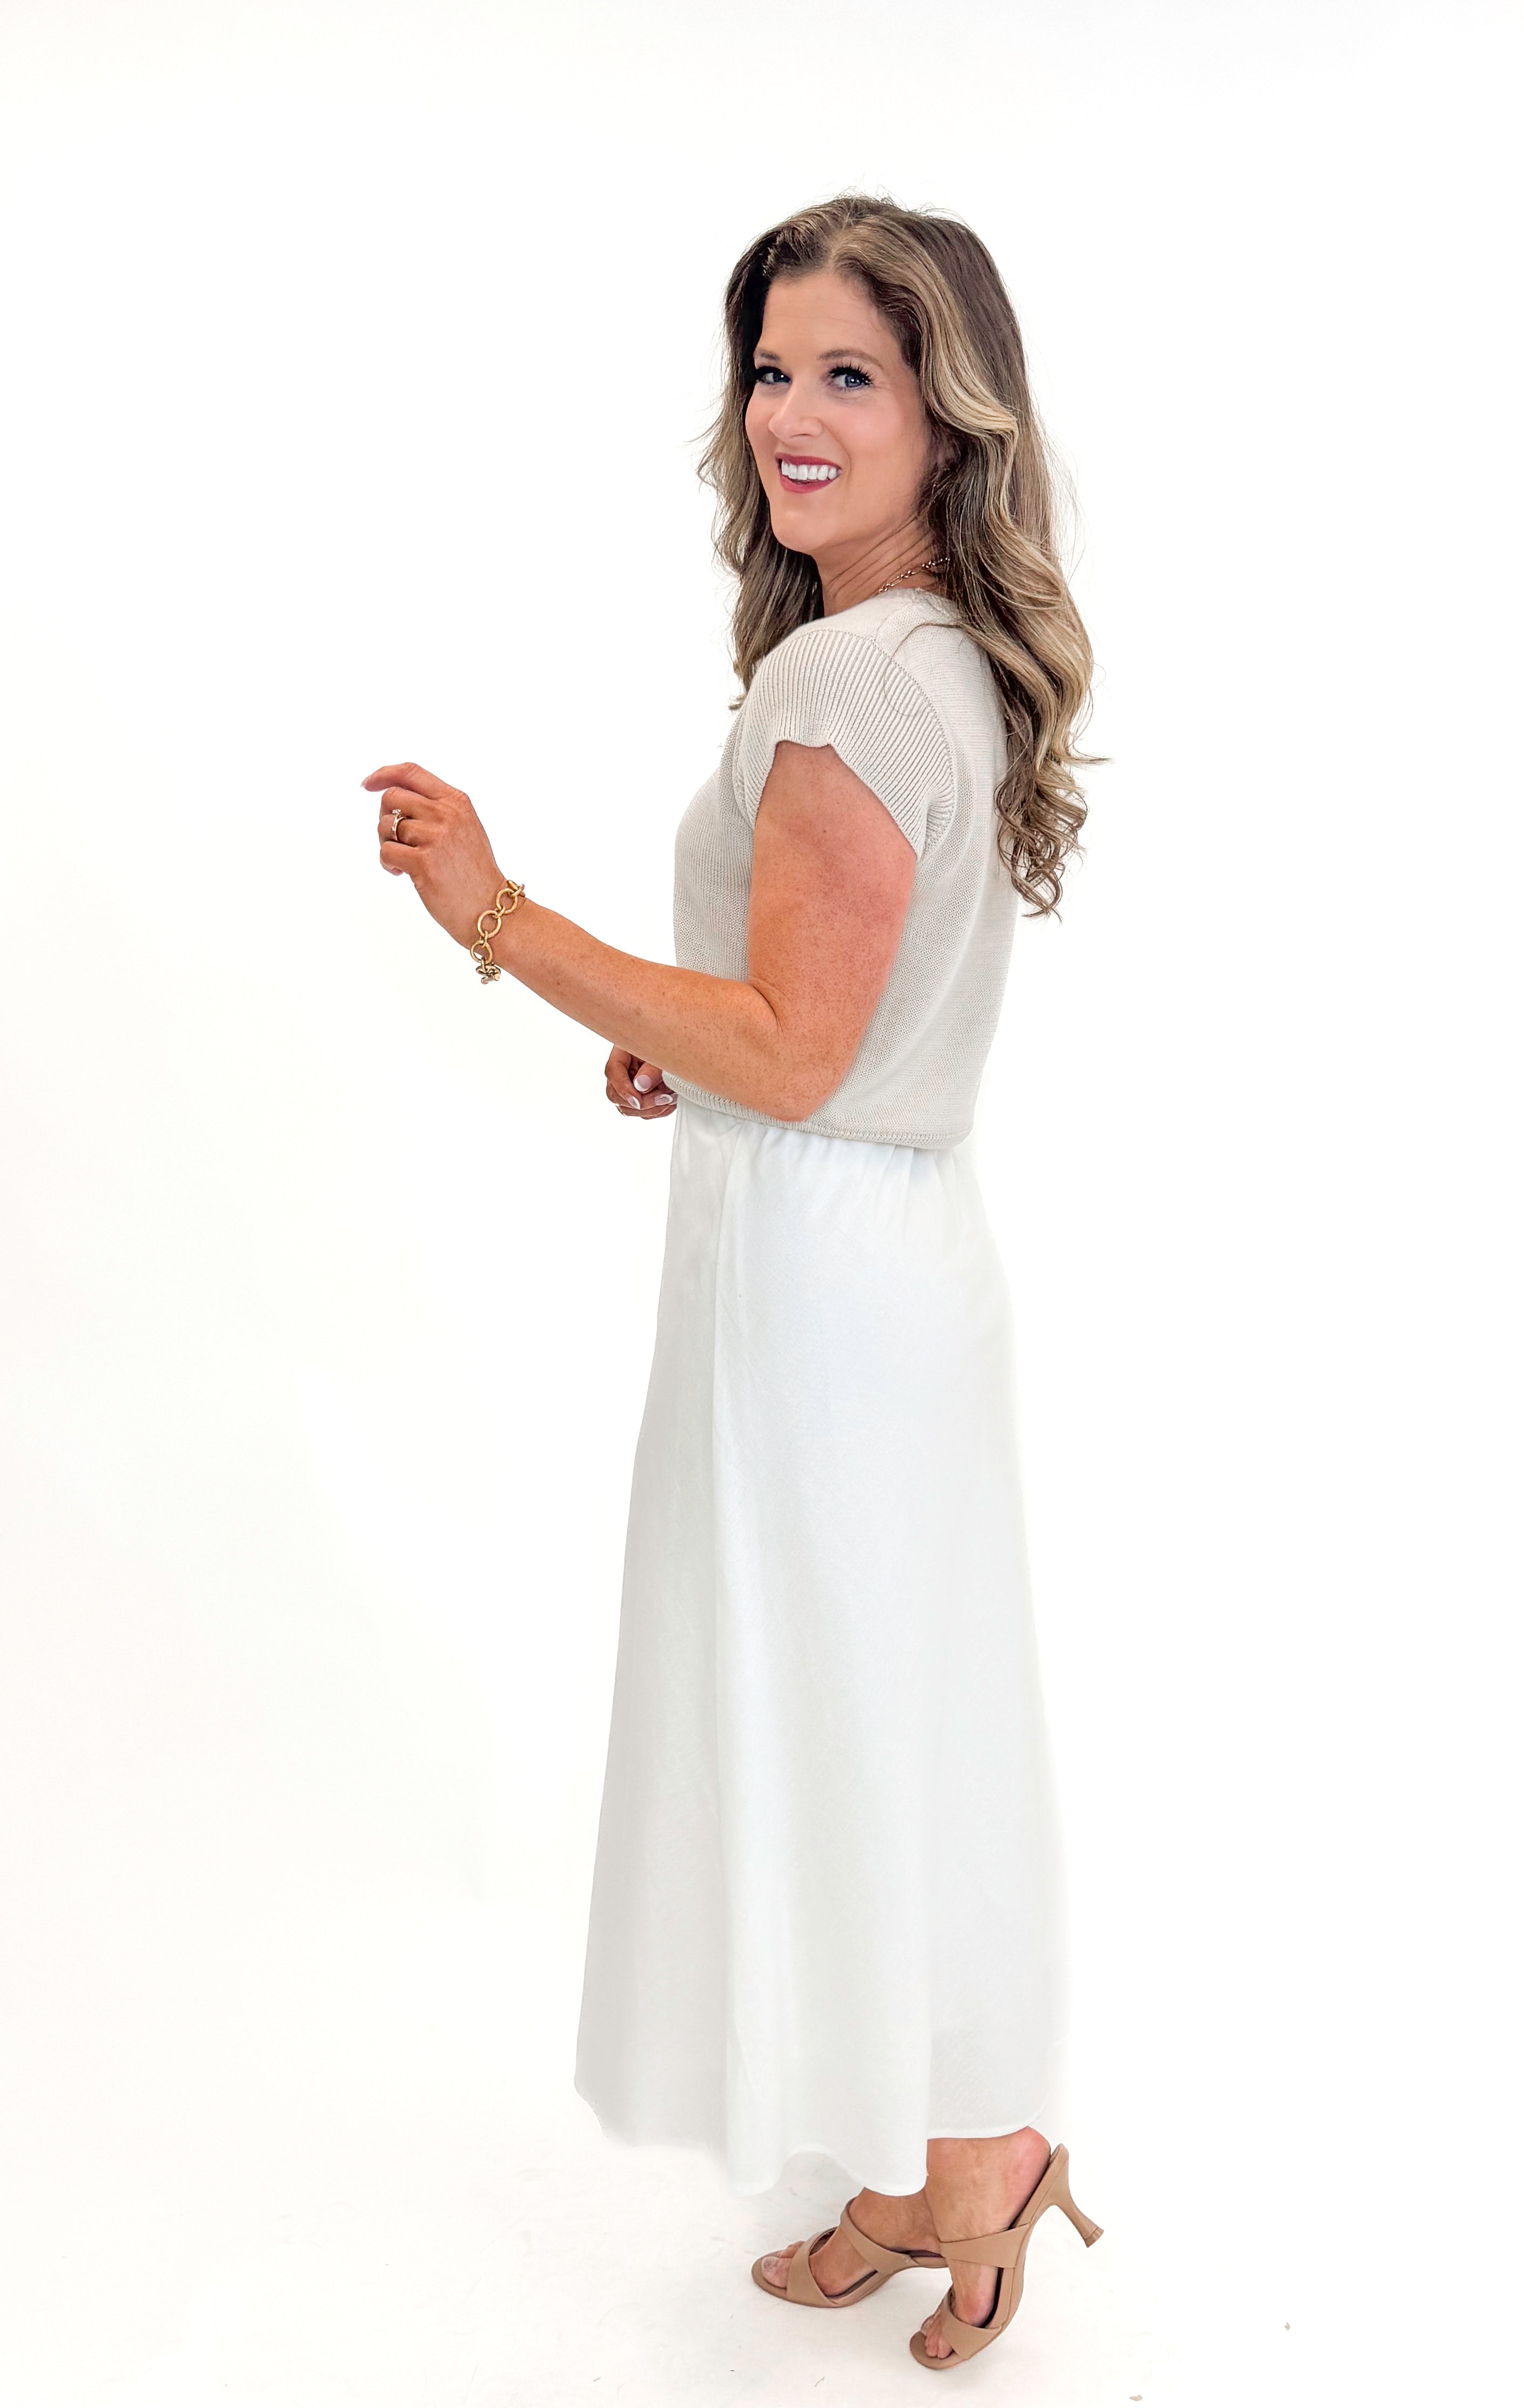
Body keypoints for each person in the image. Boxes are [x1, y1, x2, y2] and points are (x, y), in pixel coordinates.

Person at [365, 191, 1103, 2371]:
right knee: (891, 1708)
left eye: (845, 374)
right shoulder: (933, 645)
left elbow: (792, 1046)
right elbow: (812, 1021)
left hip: (824, 1286)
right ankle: (937, 2156)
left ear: (943, 417)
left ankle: (971, 2159)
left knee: (864, 1712)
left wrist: (502, 920)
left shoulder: (844, 673)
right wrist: (677, 1026)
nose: (789, 414)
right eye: (771, 369)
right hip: (871, 1247)